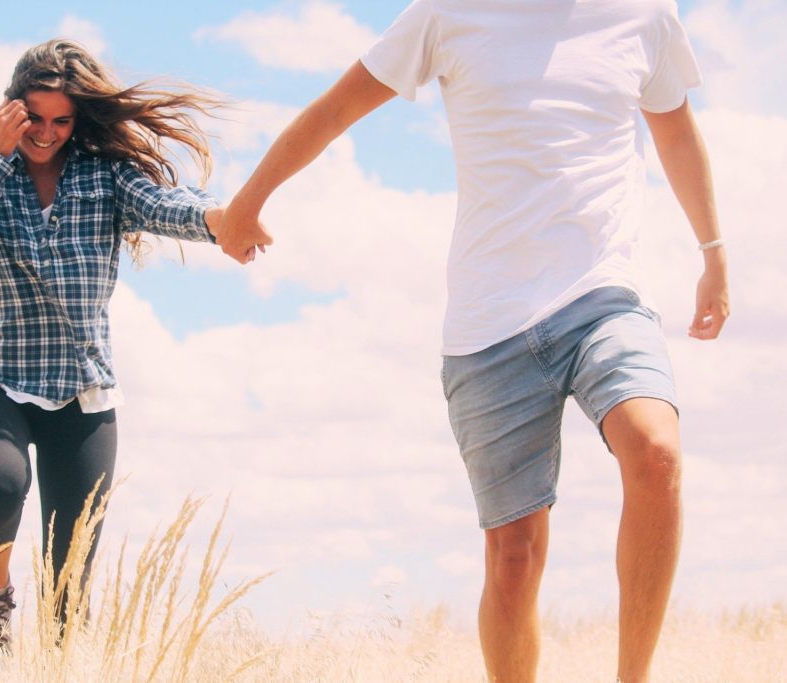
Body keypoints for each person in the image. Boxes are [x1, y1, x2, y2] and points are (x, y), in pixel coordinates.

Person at [216, 1, 728, 681]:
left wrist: (713, 252)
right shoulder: (448, 13)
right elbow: (337, 109)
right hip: (489, 324)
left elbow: (676, 132)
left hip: (605, 295)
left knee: (656, 451)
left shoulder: (642, 14)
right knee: (514, 556)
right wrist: (248, 201)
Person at [0, 39, 228, 650]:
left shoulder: (105, 176)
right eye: (33, 117)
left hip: (82, 391)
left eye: (61, 120)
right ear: (11, 109)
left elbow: (167, 206)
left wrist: (226, 220)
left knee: (68, 597)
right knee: (2, 483)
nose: (46, 133)